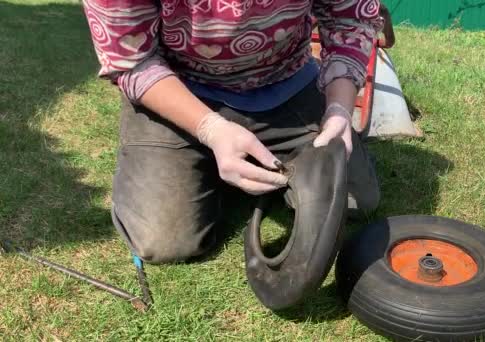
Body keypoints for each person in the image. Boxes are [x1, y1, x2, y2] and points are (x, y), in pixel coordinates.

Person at [82, 0, 383, 264]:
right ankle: (208, 159)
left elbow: (351, 18)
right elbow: (131, 61)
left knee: (355, 199)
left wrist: (339, 109)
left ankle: (241, 163)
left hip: (286, 80)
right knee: (163, 241)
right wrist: (210, 128)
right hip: (176, 87)